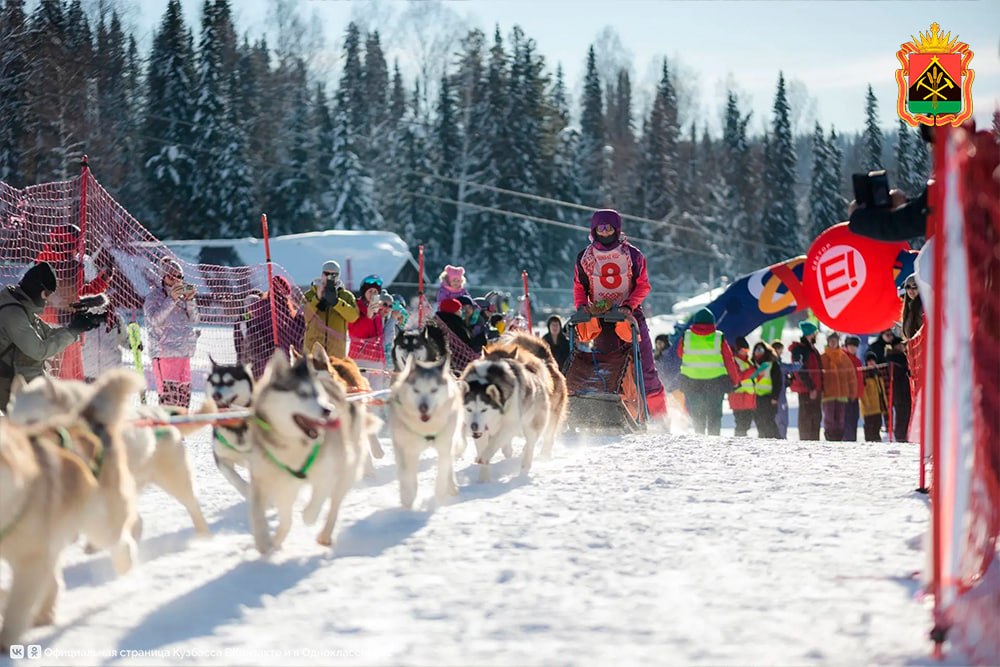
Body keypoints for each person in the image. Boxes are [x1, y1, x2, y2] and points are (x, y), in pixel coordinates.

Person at [573, 209, 667, 417]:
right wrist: (581, 306)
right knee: (609, 369)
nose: (605, 232)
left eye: (608, 228)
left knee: (645, 368)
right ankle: (613, 414)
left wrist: (629, 305)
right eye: (600, 228)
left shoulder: (632, 255)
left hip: (631, 317)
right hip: (602, 320)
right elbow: (580, 286)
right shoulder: (585, 257)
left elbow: (643, 285)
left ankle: (659, 416)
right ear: (593, 230)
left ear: (617, 229)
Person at [0, 262, 102, 409]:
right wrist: (71, 331)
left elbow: (46, 334)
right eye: (47, 294)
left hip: (16, 380)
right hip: (7, 384)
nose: (47, 300)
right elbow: (39, 350)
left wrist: (77, 328)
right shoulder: (13, 313)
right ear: (38, 289)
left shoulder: (21, 304)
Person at [675, 308, 744, 435]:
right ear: (712, 322)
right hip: (715, 382)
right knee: (714, 414)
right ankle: (714, 441)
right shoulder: (719, 337)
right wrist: (735, 381)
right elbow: (729, 361)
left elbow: (680, 353)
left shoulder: (687, 336)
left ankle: (699, 438)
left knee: (697, 413)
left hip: (691, 381)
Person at [144, 257, 200, 408]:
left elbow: (194, 320)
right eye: (171, 275)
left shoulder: (183, 296)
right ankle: (164, 431)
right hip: (165, 355)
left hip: (184, 353)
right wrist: (171, 299)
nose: (176, 280)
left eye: (179, 277)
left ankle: (180, 432)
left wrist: (190, 300)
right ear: (163, 276)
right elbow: (154, 321)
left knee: (183, 404)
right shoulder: (154, 297)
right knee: (169, 404)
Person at [245, 275, 306, 378]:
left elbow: (251, 313)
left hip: (262, 361)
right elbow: (295, 335)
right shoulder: (288, 312)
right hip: (284, 359)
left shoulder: (259, 306)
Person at [302, 260, 359, 360]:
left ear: (338, 276)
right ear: (321, 274)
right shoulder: (309, 294)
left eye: (333, 275)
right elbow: (304, 318)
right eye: (326, 273)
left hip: (336, 354)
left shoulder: (346, 296)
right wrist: (317, 298)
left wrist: (336, 302)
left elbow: (353, 317)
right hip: (313, 351)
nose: (329, 277)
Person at [348, 274, 390, 387]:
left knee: (376, 398)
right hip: (360, 359)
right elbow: (354, 333)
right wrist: (368, 316)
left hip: (377, 361)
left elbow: (380, 337)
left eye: (375, 292)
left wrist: (383, 362)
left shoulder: (379, 311)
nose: (373, 294)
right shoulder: (356, 307)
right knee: (361, 394)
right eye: (370, 291)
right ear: (364, 292)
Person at [819, 332, 857, 442]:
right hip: (828, 394)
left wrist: (852, 393)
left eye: (835, 341)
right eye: (831, 341)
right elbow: (819, 376)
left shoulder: (844, 358)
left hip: (842, 394)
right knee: (829, 418)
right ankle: (830, 438)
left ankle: (839, 438)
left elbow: (851, 376)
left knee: (840, 418)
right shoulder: (823, 357)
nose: (833, 343)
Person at [789, 321, 823, 441]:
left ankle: (814, 441)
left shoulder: (813, 349)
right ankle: (806, 442)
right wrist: (811, 387)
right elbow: (801, 371)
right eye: (815, 333)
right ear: (810, 334)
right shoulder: (800, 350)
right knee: (806, 418)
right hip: (806, 390)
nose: (816, 336)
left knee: (816, 418)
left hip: (816, 390)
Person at [751, 341, 783, 439]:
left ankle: (777, 440)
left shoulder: (772, 365)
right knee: (758, 421)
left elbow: (778, 382)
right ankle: (762, 440)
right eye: (757, 350)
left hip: (769, 398)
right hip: (757, 398)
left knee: (769, 421)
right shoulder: (752, 364)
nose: (758, 352)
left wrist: (775, 397)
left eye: (761, 350)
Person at [729, 337, 757, 437]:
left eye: (747, 350)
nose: (745, 352)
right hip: (738, 397)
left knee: (747, 424)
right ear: (738, 350)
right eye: (743, 350)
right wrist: (752, 371)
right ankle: (739, 441)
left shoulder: (749, 362)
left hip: (748, 398)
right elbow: (738, 376)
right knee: (741, 424)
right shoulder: (734, 361)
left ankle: (742, 439)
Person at [860, 351, 888, 442]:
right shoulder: (864, 374)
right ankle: (869, 441)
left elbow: (881, 390)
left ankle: (876, 440)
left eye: (873, 361)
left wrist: (885, 403)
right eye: (869, 361)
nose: (871, 363)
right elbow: (862, 391)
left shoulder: (878, 374)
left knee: (877, 425)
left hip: (878, 406)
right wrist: (866, 403)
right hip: (869, 408)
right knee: (869, 426)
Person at [771, 340, 796, 439]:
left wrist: (787, 380)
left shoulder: (779, 363)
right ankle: (779, 437)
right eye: (779, 350)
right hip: (776, 395)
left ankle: (782, 436)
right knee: (779, 418)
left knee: (784, 417)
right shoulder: (773, 364)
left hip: (781, 394)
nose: (780, 353)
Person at [841, 335, 864, 441]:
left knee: (854, 420)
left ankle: (852, 440)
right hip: (846, 396)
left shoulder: (858, 361)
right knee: (847, 421)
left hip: (856, 396)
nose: (853, 348)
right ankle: (847, 441)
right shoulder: (843, 359)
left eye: (855, 346)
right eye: (851, 345)